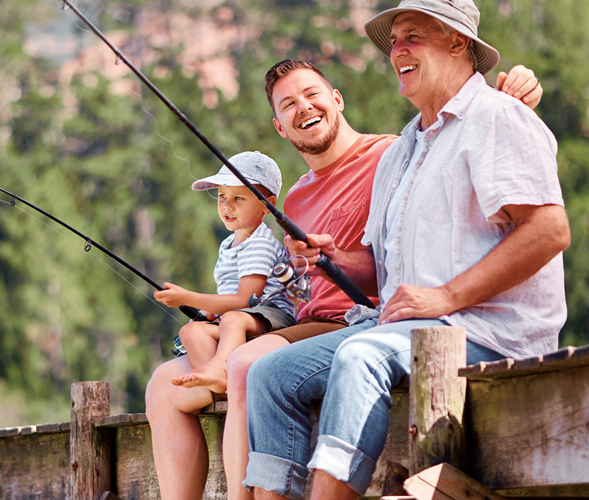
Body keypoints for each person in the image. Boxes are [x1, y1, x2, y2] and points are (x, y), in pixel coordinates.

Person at [144, 58, 544, 500]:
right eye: (288, 104)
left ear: (336, 99)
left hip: (357, 324)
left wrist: (514, 95)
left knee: (245, 365)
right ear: (279, 126)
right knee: (162, 384)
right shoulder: (293, 197)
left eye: (312, 94)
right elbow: (295, 289)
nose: (303, 108)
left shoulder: (392, 156)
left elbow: (452, 152)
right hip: (301, 324)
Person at [241, 1, 570, 499]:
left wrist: (447, 297)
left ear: (458, 42)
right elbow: (381, 273)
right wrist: (329, 258)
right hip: (403, 329)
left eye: (412, 36)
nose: (396, 51)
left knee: (360, 355)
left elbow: (549, 230)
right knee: (267, 375)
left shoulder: (498, 117)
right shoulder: (401, 151)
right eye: (393, 42)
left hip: (487, 333)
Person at [153, 151, 300, 399]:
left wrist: (187, 298)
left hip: (270, 317)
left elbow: (245, 300)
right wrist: (208, 314)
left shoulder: (259, 243)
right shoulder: (228, 244)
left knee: (233, 319)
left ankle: (221, 370)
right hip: (240, 317)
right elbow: (228, 294)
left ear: (268, 204)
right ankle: (219, 386)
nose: (227, 205)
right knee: (190, 332)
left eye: (238, 197)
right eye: (222, 196)